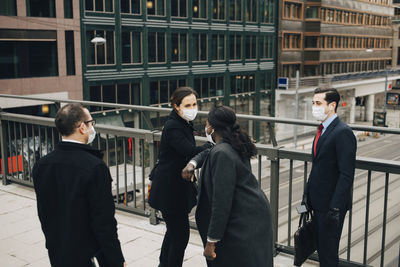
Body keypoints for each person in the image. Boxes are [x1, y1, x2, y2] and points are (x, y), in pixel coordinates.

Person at [32, 103, 126, 267]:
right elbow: (104, 223)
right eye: (91, 123)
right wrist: (117, 260)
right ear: (82, 127)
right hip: (88, 255)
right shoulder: (95, 167)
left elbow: (44, 212)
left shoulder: (42, 165)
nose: (92, 128)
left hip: (58, 251)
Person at [182, 106, 274, 267]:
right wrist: (192, 163)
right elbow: (208, 152)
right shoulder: (233, 143)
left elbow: (221, 201)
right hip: (251, 217)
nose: (206, 128)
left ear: (212, 128)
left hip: (241, 224)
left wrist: (211, 241)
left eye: (207, 124)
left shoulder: (222, 153)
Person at [148, 87, 212, 267]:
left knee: (173, 232)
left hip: (174, 187)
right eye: (188, 104)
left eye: (195, 103)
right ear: (176, 106)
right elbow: (189, 151)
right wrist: (212, 146)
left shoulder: (182, 122)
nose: (193, 108)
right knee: (180, 236)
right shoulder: (173, 126)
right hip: (170, 190)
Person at [302, 88, 357, 266]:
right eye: (313, 103)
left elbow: (346, 174)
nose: (314, 107)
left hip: (330, 208)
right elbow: (318, 167)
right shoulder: (322, 129)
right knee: (320, 249)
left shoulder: (343, 133)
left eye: (318, 103)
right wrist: (306, 196)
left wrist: (334, 209)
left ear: (332, 105)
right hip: (317, 203)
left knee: (328, 254)